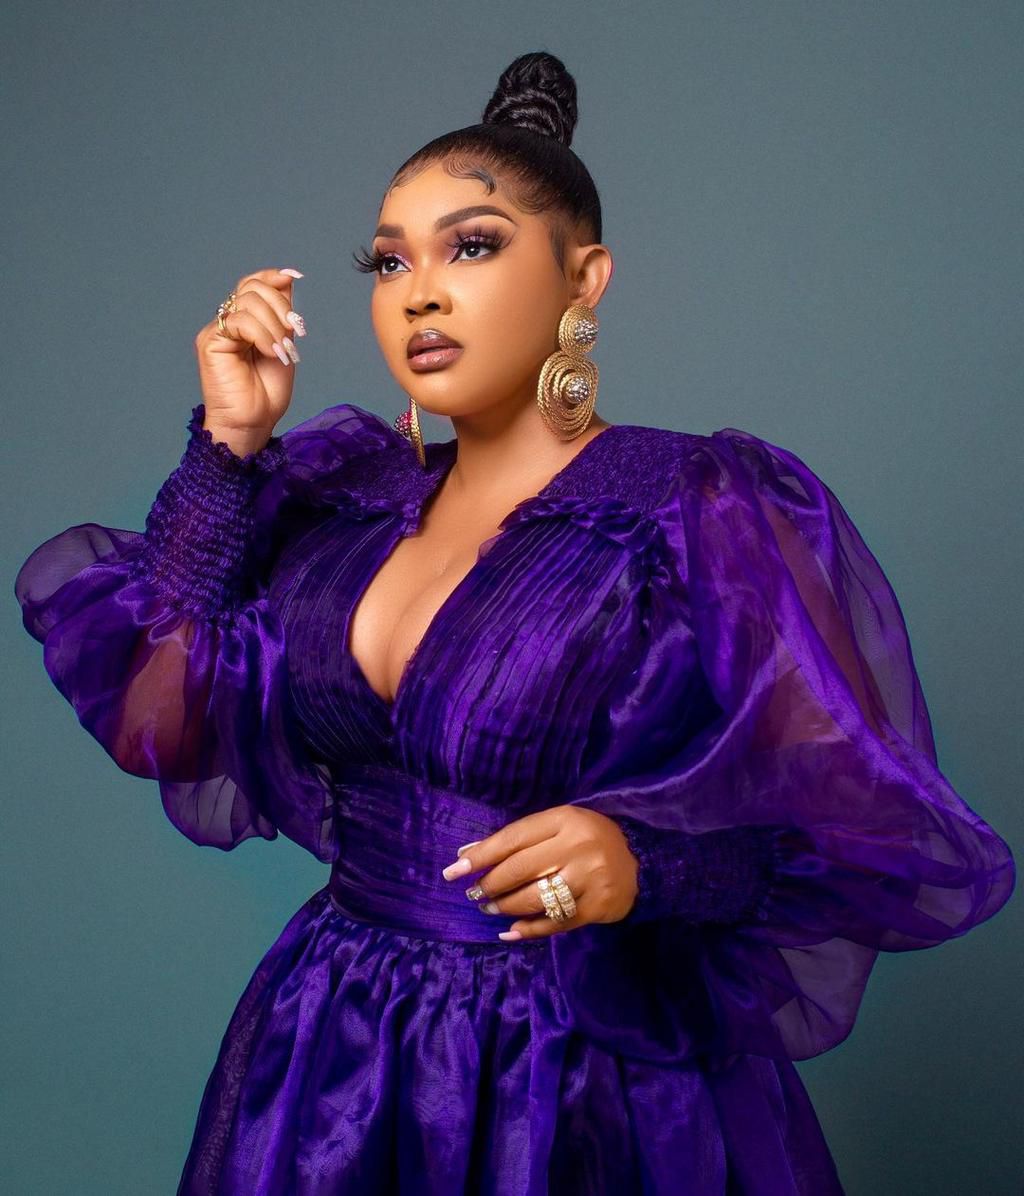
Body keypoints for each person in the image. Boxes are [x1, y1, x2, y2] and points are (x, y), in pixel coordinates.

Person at [14, 49, 1015, 1196]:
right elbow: (158, 725)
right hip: (334, 1045)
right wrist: (227, 447)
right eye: (389, 260)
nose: (418, 292)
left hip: (579, 1073)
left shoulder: (698, 505)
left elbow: (865, 833)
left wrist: (649, 862)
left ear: (585, 278)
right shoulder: (340, 504)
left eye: (473, 245)